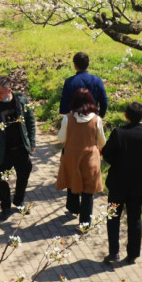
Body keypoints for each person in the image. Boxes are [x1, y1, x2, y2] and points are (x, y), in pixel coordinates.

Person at [101, 101, 142, 265]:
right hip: (140, 184)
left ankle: (113, 252)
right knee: (135, 218)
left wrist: (117, 162)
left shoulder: (119, 133)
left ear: (126, 116)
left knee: (113, 216)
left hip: (118, 183)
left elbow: (107, 154)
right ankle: (133, 254)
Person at [0, 76, 36, 216]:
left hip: (21, 148)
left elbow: (30, 121)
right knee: (3, 179)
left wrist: (32, 142)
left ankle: (19, 201)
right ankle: (5, 206)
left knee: (24, 175)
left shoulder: (22, 101)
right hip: (3, 151)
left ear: (9, 90)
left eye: (0, 92)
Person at [56, 87, 106, 231]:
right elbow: (102, 141)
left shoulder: (68, 118)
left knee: (72, 183)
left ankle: (73, 208)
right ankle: (85, 223)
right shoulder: (96, 119)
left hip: (71, 156)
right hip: (90, 157)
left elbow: (61, 138)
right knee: (88, 191)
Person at [59, 52, 108, 118]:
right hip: (92, 118)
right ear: (88, 64)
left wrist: (67, 118)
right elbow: (104, 100)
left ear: (75, 65)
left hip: (74, 119)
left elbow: (64, 104)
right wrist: (101, 115)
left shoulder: (69, 82)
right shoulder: (96, 80)